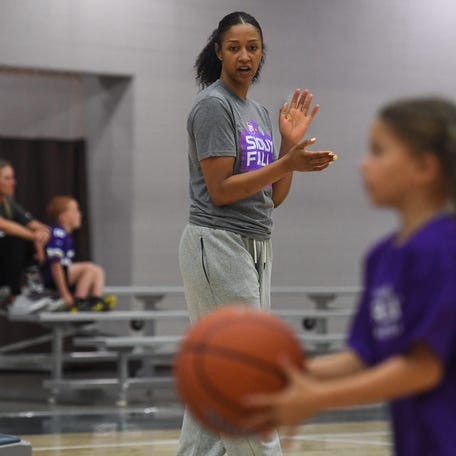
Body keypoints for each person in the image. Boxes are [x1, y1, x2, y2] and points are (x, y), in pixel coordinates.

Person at [244, 97, 456, 456]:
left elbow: (423, 369)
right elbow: (363, 354)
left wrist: (318, 398)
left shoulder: (443, 249)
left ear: (424, 167)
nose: (363, 164)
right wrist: (290, 375)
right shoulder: (381, 257)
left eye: (378, 152)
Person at [177, 11, 336, 456]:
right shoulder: (214, 106)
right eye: (234, 47)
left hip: (256, 247)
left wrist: (288, 147)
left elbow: (272, 198)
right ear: (219, 52)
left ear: (262, 52)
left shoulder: (260, 112)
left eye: (253, 47)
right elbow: (221, 192)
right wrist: (287, 163)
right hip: (218, 244)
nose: (244, 55)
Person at [42, 195, 115, 312]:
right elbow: (55, 265)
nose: (79, 214)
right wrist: (65, 293)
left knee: (97, 270)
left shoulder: (67, 236)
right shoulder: (58, 234)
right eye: (75, 210)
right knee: (89, 268)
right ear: (63, 216)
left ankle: (96, 300)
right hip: (51, 279)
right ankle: (79, 301)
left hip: (64, 275)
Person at [0, 159, 50, 304]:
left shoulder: (9, 204)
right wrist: (35, 238)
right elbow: (4, 226)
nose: (13, 182)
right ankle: (12, 294)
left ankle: (36, 289)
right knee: (15, 239)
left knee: (31, 242)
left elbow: (35, 224)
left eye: (12, 178)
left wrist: (43, 235)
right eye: (7, 178)